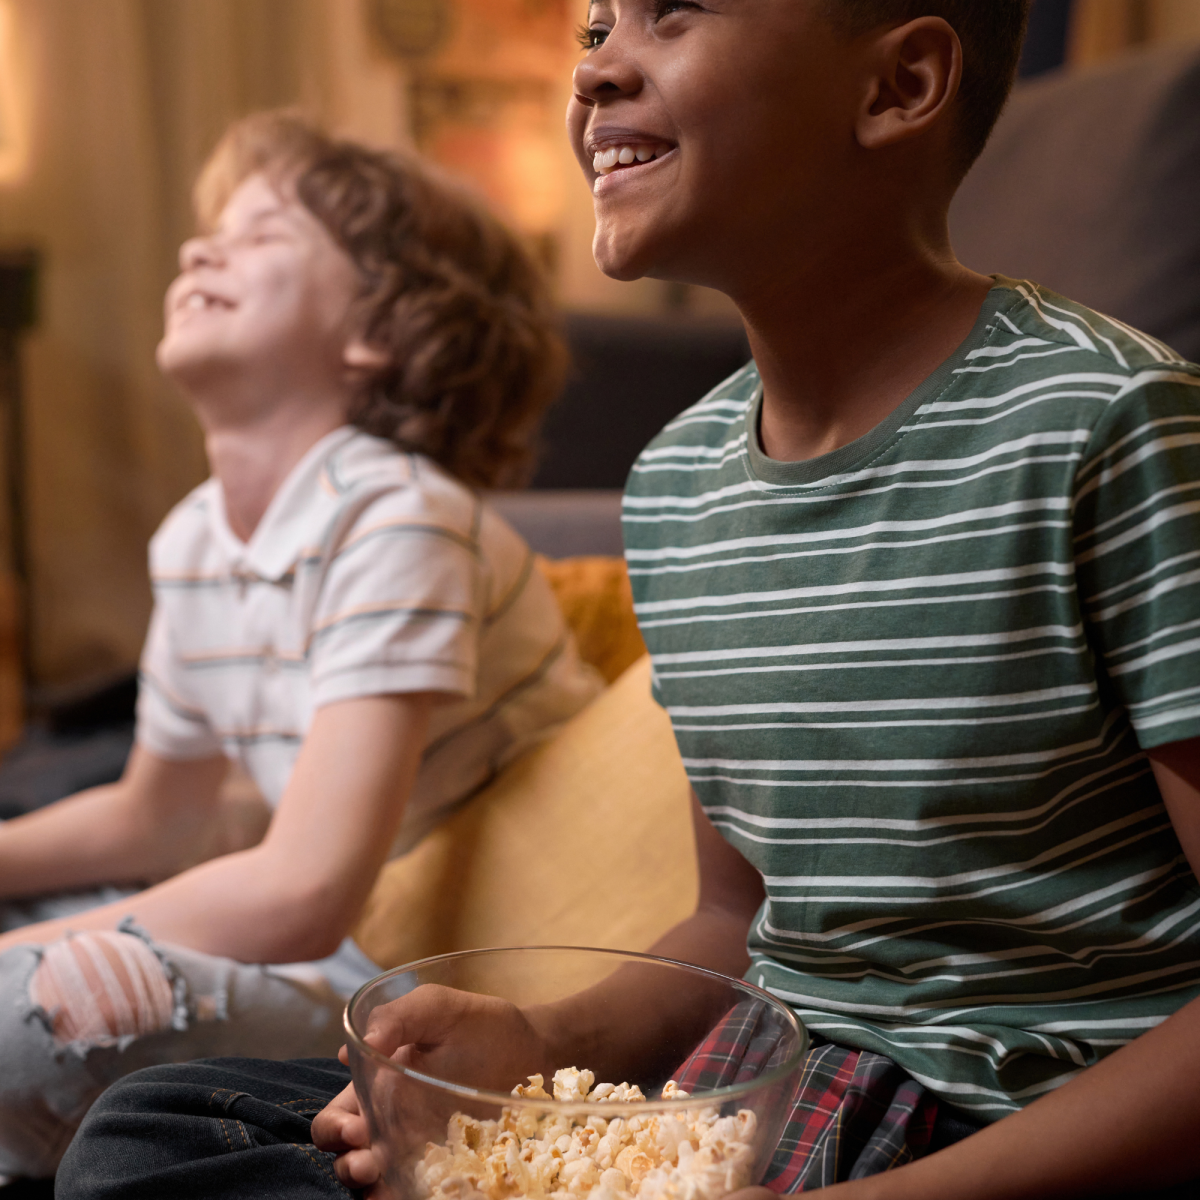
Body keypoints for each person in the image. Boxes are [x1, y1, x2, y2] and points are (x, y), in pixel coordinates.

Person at [56, 2, 1200, 1198]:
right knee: (162, 1128)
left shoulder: (1107, 426)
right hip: (757, 1093)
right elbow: (736, 921)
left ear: (898, 84)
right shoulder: (678, 486)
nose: (596, 67)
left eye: (671, 15)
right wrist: (545, 1047)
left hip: (1007, 1126)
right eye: (596, 25)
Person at [0, 110, 602, 1181]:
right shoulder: (193, 537)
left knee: (53, 997)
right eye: (207, 233)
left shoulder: (398, 516)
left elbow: (302, 890)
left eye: (260, 233)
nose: (199, 249)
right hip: (313, 930)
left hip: (398, 972)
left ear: (376, 329)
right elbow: (161, 811)